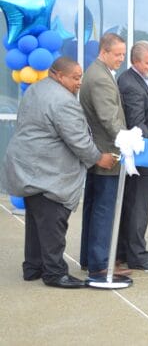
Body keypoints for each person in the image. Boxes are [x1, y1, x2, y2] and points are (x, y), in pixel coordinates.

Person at [1, 57, 115, 288]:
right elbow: (78, 140)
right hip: (48, 174)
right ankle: (55, 273)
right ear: (59, 75)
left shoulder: (37, 88)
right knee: (53, 223)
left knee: (37, 223)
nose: (79, 82)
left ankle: (33, 267)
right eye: (75, 77)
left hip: (29, 169)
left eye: (80, 77)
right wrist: (98, 158)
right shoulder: (63, 101)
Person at [79, 32, 131, 278]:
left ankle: (90, 259)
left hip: (100, 151)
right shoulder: (100, 77)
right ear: (104, 51)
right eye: (118, 54)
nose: (122, 58)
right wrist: (130, 140)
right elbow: (109, 119)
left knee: (94, 207)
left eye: (123, 53)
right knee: (103, 210)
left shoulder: (99, 72)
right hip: (107, 153)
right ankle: (99, 265)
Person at [116, 41, 148, 271]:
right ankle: (137, 255)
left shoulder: (138, 79)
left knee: (134, 205)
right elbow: (137, 122)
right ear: (136, 62)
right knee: (138, 206)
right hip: (139, 155)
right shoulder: (131, 85)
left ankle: (127, 251)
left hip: (139, 154)